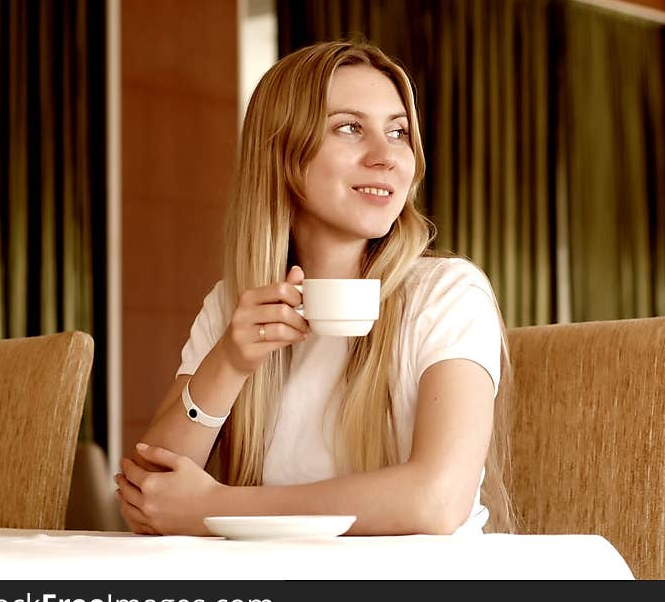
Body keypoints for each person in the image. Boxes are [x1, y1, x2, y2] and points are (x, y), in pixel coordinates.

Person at [115, 39, 513, 536]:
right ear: (283, 152)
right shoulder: (234, 304)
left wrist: (216, 508)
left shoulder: (447, 293)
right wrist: (230, 363)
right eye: (350, 128)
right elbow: (150, 496)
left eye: (398, 133)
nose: (386, 157)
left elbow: (436, 500)